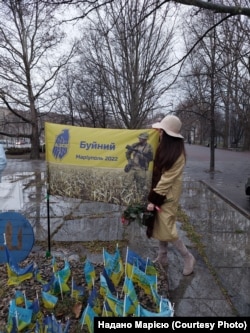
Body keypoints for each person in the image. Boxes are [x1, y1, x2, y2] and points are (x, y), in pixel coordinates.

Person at [146, 115, 195, 276]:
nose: (159, 133)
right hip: (162, 191)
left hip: (168, 195)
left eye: (161, 131)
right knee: (160, 224)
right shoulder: (164, 147)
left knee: (167, 227)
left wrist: (154, 200)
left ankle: (188, 257)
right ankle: (163, 256)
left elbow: (167, 180)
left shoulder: (177, 155)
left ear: (167, 135)